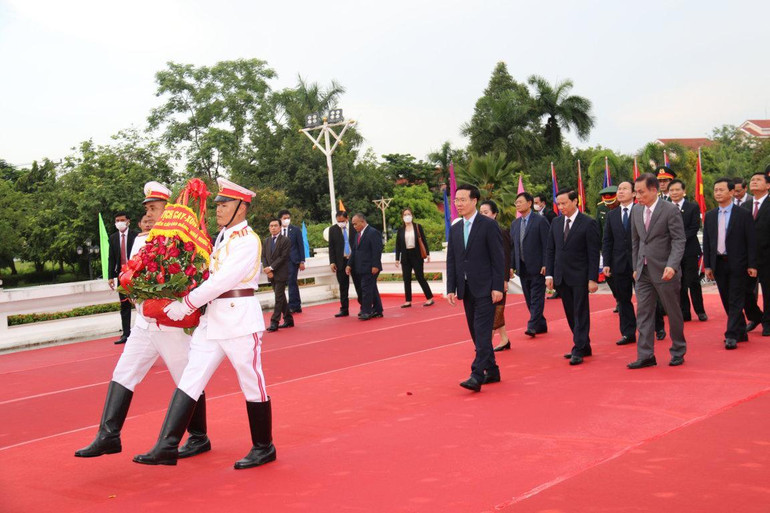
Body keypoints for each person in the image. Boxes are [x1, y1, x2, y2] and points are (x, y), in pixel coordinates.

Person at [134, 177, 276, 469]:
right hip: (212, 320)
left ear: (241, 207)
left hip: (238, 319)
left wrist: (186, 304)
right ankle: (167, 444)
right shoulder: (222, 237)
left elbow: (223, 281)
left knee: (251, 382)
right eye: (218, 204)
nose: (219, 210)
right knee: (190, 377)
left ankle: (264, 446)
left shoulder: (248, 240)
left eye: (225, 204)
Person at [75, 181, 210, 461]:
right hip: (143, 323)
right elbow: (134, 272)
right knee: (124, 372)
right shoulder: (141, 239)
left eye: (154, 208)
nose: (148, 215)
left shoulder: (182, 238)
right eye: (146, 210)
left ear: (168, 210)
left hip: (170, 325)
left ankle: (198, 437)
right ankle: (108, 435)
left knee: (187, 380)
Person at [446, 184, 505, 391]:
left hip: (486, 288)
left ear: (474, 201)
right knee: (475, 332)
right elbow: (452, 260)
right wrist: (451, 288)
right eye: (456, 200)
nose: (458, 204)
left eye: (462, 199)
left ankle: (477, 374)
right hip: (465, 288)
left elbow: (498, 258)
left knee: (481, 332)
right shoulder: (454, 229)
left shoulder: (488, 225)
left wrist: (498, 286)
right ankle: (493, 369)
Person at [628, 173, 687, 369]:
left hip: (665, 270)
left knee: (673, 311)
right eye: (636, 192)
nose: (638, 196)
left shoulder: (670, 210)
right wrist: (636, 266)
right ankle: (646, 355)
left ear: (654, 190)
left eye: (641, 192)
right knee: (643, 313)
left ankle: (678, 349)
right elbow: (636, 242)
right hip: (643, 272)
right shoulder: (636, 211)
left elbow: (679, 240)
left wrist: (672, 264)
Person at [546, 189, 600, 366]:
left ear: (575, 201)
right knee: (570, 313)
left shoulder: (588, 223)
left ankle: (578, 347)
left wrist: (593, 278)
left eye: (564, 203)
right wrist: (549, 274)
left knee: (580, 312)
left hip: (580, 275)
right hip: (561, 276)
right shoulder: (555, 222)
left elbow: (593, 253)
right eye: (558, 204)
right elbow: (551, 250)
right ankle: (584, 345)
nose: (561, 207)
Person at [703, 178, 757, 349]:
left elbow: (751, 241)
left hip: (738, 264)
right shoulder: (710, 216)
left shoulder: (743, 214)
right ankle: (740, 330)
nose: (718, 193)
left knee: (735, 299)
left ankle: (731, 335)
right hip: (718, 264)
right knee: (726, 299)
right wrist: (708, 266)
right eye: (715, 190)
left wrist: (752, 265)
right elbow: (707, 241)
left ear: (732, 192)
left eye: (721, 190)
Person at [602, 181, 638, 346]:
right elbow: (607, 241)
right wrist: (607, 262)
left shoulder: (641, 211)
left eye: (625, 189)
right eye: (619, 189)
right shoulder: (612, 215)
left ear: (634, 193)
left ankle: (657, 327)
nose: (621, 192)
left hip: (639, 263)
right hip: (619, 264)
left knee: (647, 299)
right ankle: (628, 333)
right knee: (623, 300)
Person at [510, 192, 549, 342]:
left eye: (520, 202)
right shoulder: (515, 224)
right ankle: (541, 323)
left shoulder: (540, 221)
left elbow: (547, 244)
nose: (518, 205)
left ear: (530, 203)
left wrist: (546, 263)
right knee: (528, 298)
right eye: (516, 203)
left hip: (538, 266)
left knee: (536, 297)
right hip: (522, 267)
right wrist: (512, 266)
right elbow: (514, 247)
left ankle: (532, 325)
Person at [668, 179, 707, 322]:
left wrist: (678, 240)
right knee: (679, 283)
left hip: (689, 250)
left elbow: (693, 228)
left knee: (692, 281)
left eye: (677, 190)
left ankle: (700, 310)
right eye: (671, 190)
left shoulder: (692, 207)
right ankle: (685, 312)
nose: (674, 193)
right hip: (672, 252)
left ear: (683, 191)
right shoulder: (665, 207)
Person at [479, 200, 511, 351]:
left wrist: (504, 279)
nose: (483, 215)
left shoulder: (500, 231)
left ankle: (486, 344)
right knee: (497, 309)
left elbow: (503, 257)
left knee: (495, 310)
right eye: (481, 213)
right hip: (485, 278)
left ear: (495, 214)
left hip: (497, 279)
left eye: (486, 212)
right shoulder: (479, 231)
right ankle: (504, 339)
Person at [742, 172, 770, 336]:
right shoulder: (745, 206)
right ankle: (756, 316)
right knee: (744, 290)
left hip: (767, 256)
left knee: (768, 291)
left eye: (758, 180)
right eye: (752, 179)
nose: (754, 182)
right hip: (747, 258)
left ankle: (768, 322)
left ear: (768, 185)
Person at [346, 213, 383, 320]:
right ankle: (378, 309)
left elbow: (377, 250)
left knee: (366, 289)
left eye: (355, 224)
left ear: (362, 222)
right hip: (361, 267)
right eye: (353, 225)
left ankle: (366, 311)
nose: (354, 226)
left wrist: (375, 265)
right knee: (371, 288)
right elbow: (354, 251)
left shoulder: (373, 232)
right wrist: (349, 265)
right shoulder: (358, 235)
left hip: (371, 267)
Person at [395, 208, 434, 308]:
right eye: (405, 214)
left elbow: (423, 240)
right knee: (406, 278)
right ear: (402, 217)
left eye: (408, 214)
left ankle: (429, 298)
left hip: (416, 255)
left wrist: (428, 254)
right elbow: (398, 245)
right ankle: (408, 301)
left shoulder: (417, 227)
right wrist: (397, 259)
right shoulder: (400, 230)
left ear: (412, 216)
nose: (407, 216)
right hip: (405, 256)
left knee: (420, 277)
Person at [108, 211, 137, 344]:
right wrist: (110, 276)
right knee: (124, 305)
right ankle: (126, 334)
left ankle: (142, 334)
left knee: (139, 303)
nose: (119, 222)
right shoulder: (113, 238)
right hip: (122, 276)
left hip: (136, 274)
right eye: (117, 220)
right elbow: (111, 258)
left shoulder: (136, 235)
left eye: (122, 220)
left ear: (128, 221)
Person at [262, 218, 293, 332]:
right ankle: (289, 319)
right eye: (271, 226)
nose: (273, 228)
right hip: (270, 274)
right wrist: (267, 269)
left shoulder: (285, 240)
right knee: (281, 297)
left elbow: (283, 257)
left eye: (275, 226)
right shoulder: (266, 241)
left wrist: (271, 268)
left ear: (280, 227)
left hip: (281, 273)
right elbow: (264, 256)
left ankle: (274, 321)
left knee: (278, 298)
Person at [596, 185, 620, 312]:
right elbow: (598, 229)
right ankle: (619, 299)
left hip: (623, 248)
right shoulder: (601, 208)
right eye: (607, 202)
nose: (609, 205)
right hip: (608, 249)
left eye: (612, 202)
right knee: (610, 277)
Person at [328, 210, 356, 317]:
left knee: (359, 284)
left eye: (343, 221)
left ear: (347, 218)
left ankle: (364, 306)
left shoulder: (354, 228)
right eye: (339, 221)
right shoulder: (333, 230)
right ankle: (344, 309)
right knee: (343, 287)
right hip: (341, 261)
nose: (341, 223)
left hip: (354, 260)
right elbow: (331, 247)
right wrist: (332, 262)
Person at [278, 209, 306, 314]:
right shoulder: (277, 230)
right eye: (284, 218)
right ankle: (291, 305)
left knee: (292, 282)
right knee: (283, 283)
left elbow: (300, 246)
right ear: (280, 219)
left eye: (288, 218)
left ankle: (294, 305)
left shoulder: (295, 230)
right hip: (281, 262)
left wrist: (302, 261)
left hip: (293, 261)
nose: (287, 220)